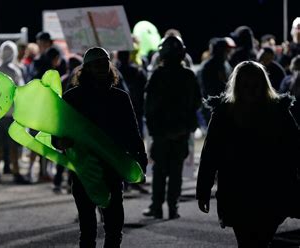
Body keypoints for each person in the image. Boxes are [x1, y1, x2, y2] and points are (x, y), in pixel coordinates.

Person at [196, 61, 300, 247]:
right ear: (237, 86)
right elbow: (210, 153)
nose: (251, 90)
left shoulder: (278, 111)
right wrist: (203, 189)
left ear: (263, 84)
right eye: (245, 85)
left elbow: (295, 147)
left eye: (255, 85)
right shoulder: (224, 114)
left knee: (260, 240)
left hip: (270, 189)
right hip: (238, 190)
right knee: (248, 242)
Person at [53, 47, 147, 248]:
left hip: (112, 167)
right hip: (84, 168)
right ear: (86, 68)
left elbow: (132, 131)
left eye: (105, 63)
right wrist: (61, 142)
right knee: (87, 230)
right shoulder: (72, 98)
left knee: (113, 228)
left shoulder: (120, 97)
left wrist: (140, 157)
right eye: (97, 63)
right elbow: (57, 134)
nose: (102, 67)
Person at [143, 36, 202, 219]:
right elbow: (197, 103)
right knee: (175, 172)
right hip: (181, 132)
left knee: (160, 171)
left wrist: (154, 128)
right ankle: (172, 207)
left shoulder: (157, 75)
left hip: (161, 133)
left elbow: (149, 106)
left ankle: (157, 206)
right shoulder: (188, 75)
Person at [0, 41, 27, 184]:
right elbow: (21, 92)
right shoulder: (14, 71)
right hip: (12, 114)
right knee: (13, 145)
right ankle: (16, 171)